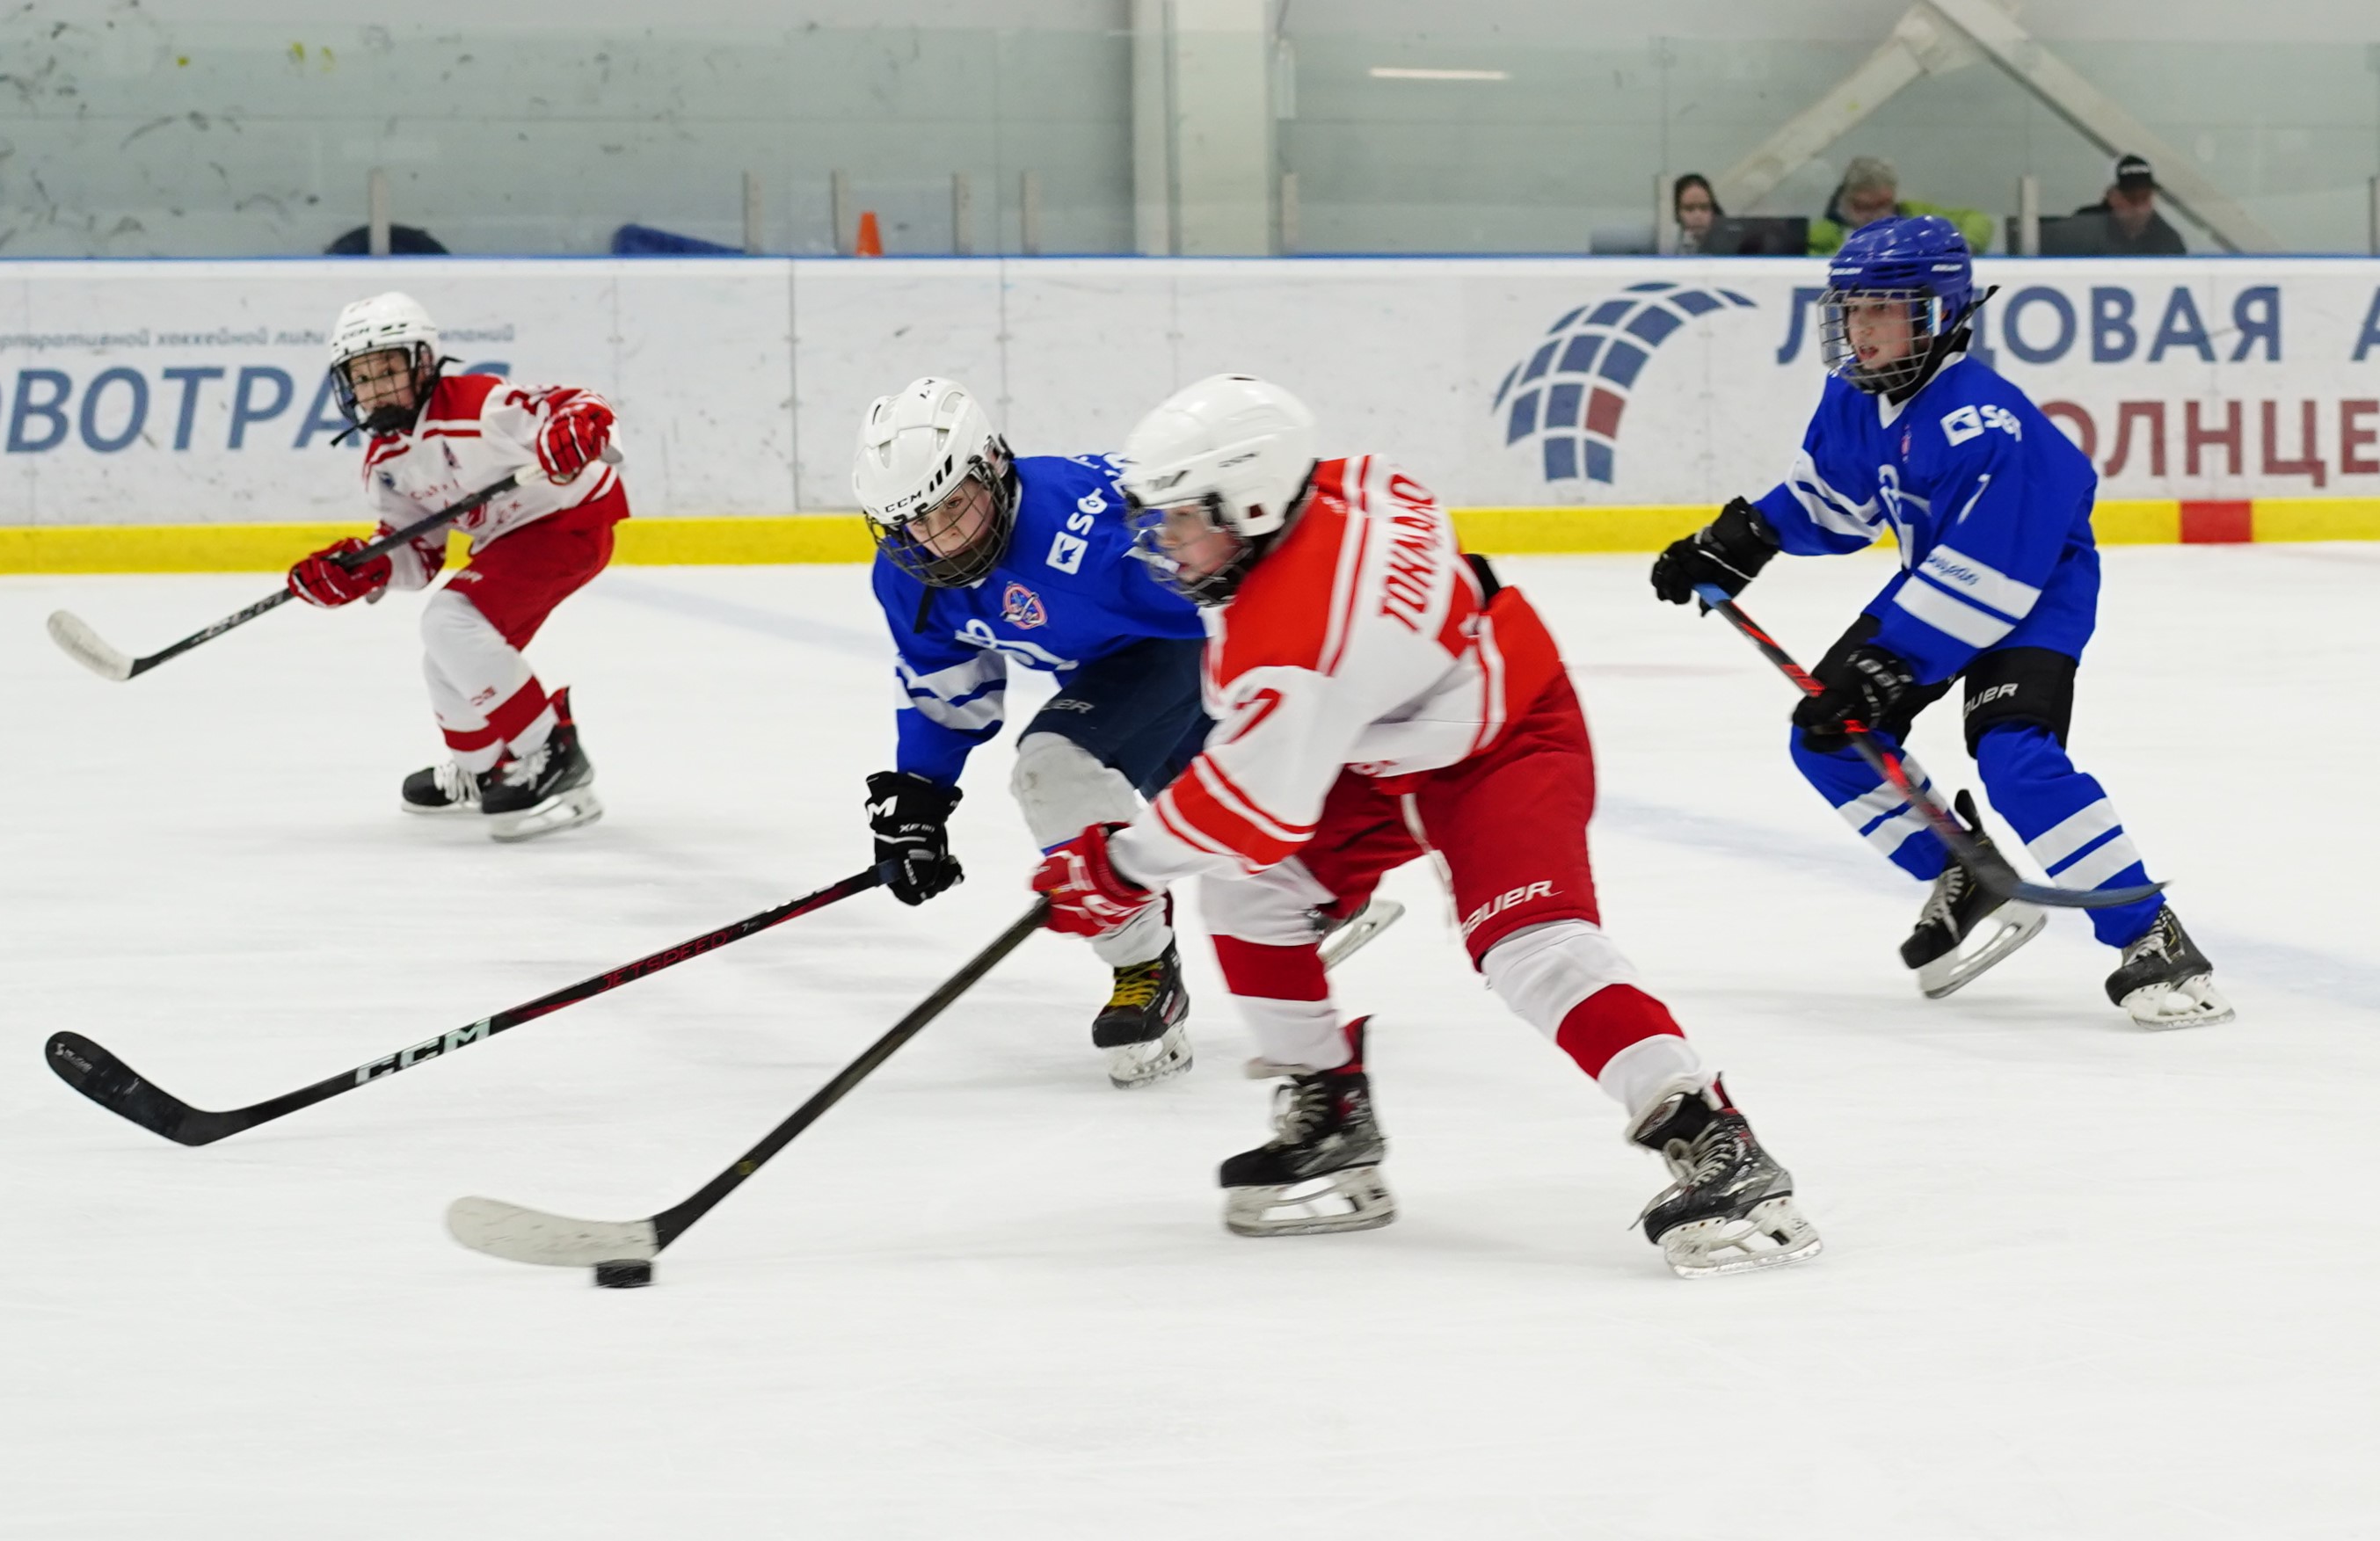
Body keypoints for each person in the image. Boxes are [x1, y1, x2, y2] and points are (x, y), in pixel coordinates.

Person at [1030, 374, 1821, 1278]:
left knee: (1530, 947)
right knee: (1252, 889)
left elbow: (1254, 804)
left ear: (1247, 501)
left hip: (1505, 739)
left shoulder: (1295, 638)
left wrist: (1117, 866)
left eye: (1180, 517)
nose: (1164, 541)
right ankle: (1329, 1112)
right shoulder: (1338, 484)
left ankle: (1712, 1138)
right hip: (1388, 746)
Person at [1650, 216, 2231, 1029]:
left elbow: (1996, 573)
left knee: (2013, 757)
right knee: (1826, 733)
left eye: (1884, 309)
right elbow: (1835, 502)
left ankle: (2151, 935)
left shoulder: (1988, 423)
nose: (1861, 328)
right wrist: (1738, 540)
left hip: (2033, 595)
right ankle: (1964, 869)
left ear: (1940, 312)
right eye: (1852, 309)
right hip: (1936, 584)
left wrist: (1891, 657)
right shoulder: (1858, 395)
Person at [855, 377, 1210, 1089]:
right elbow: (946, 684)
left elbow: (1237, 583)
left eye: (954, 505)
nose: (940, 537)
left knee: (1054, 767)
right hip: (1109, 673)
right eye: (915, 522)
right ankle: (1309, 879)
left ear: (993, 465)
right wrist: (918, 799)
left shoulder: (1100, 542)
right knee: (1218, 812)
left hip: (1189, 645)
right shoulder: (909, 575)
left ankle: (1147, 963)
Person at [286, 291, 621, 842]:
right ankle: (482, 767)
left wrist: (580, 429)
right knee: (445, 656)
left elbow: (577, 405)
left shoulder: (478, 406)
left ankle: (552, 757)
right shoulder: (387, 460)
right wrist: (361, 568)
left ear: (423, 362)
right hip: (511, 538)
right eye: (362, 377)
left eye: (387, 369)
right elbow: (417, 554)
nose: (374, 388)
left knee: (451, 622)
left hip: (568, 522)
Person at [1809, 156, 1991, 255]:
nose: (1875, 215)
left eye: (1883, 205)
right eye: (1864, 207)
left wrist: (1963, 245)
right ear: (1846, 200)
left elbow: (1978, 219)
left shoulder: (1918, 217)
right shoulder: (1824, 235)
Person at [2073, 154, 2187, 255]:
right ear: (2111, 196)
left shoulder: (2167, 240)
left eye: (2145, 197)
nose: (2140, 209)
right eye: (2132, 198)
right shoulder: (2083, 228)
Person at [1672, 173, 1721, 253]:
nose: (1698, 216)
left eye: (1704, 208)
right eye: (1689, 209)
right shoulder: (1669, 249)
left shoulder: (1731, 250)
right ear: (1678, 213)